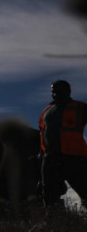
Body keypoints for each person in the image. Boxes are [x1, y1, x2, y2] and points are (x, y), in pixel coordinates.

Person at [38, 79, 87, 207]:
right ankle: (53, 223)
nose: (55, 94)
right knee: (49, 195)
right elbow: (43, 134)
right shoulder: (46, 111)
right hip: (50, 158)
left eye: (59, 90)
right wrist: (41, 153)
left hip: (74, 158)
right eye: (53, 91)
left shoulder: (80, 108)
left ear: (68, 91)